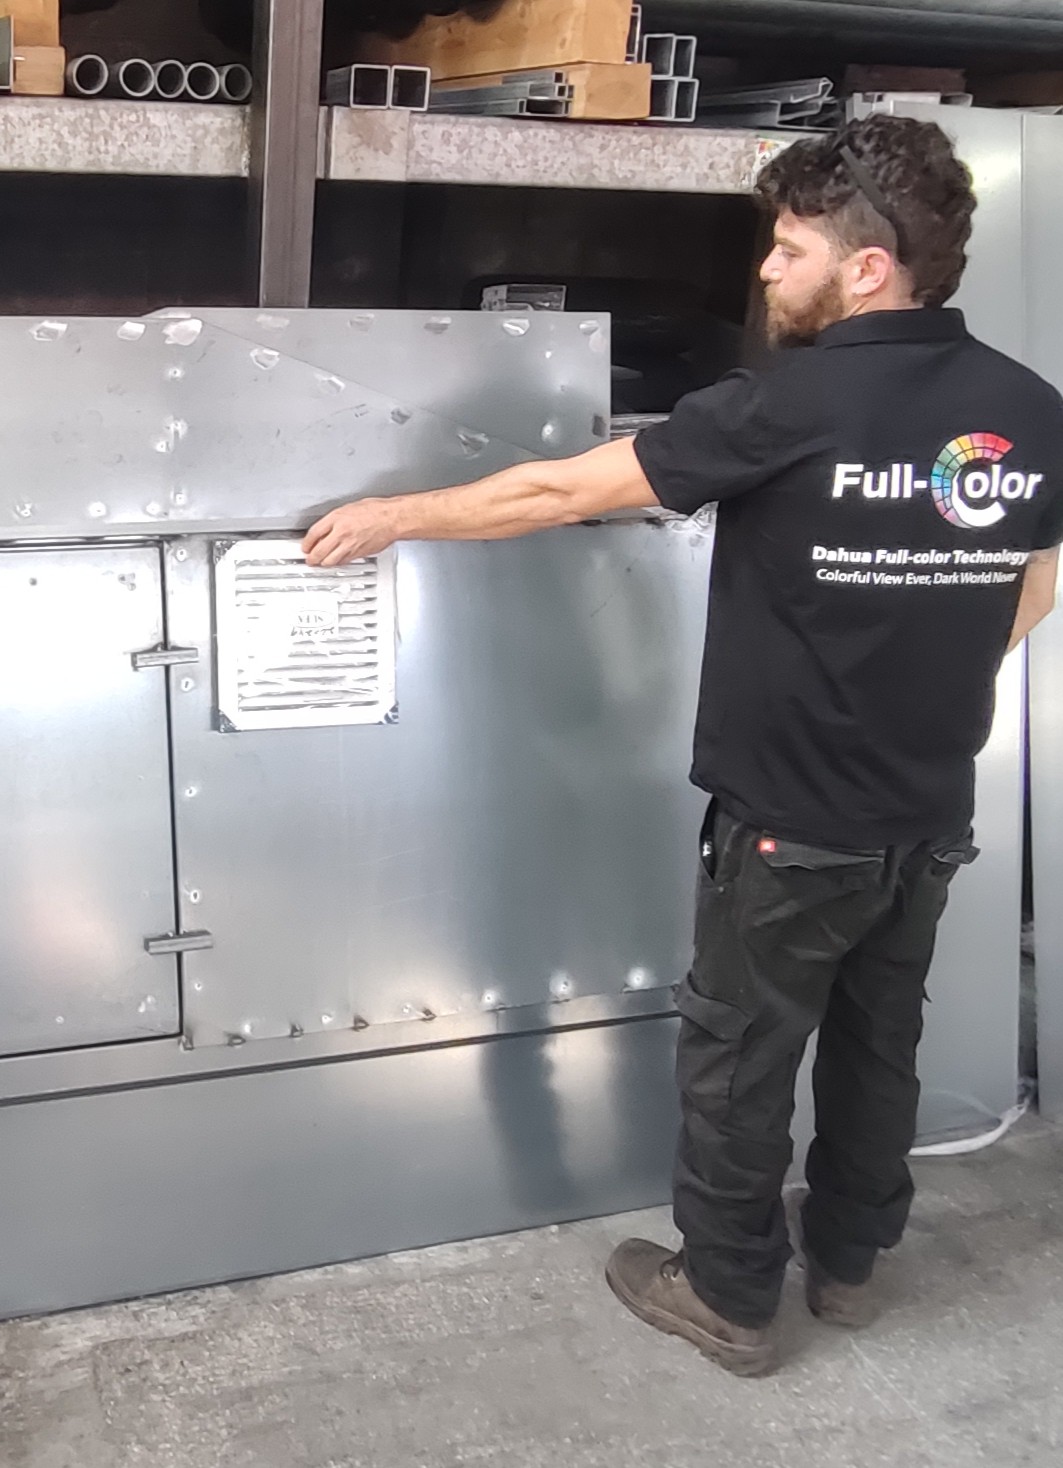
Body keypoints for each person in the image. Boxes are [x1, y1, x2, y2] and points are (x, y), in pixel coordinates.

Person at [302, 115, 1063, 1376]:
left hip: (788, 827)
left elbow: (556, 491)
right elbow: (1034, 566)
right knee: (879, 1044)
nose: (766, 269)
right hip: (926, 814)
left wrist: (395, 513)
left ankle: (725, 1292)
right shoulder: (1025, 408)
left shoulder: (784, 405)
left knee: (738, 1059)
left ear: (866, 268)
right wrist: (949, 668)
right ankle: (849, 1264)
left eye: (788, 248)